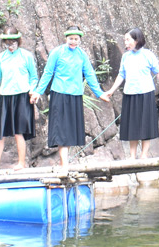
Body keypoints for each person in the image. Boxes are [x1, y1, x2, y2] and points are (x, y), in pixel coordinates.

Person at [32, 27, 110, 171]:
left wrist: (99, 93)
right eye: (71, 39)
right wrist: (38, 91)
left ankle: (64, 164)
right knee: (61, 129)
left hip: (75, 95)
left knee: (70, 131)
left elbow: (90, 74)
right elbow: (48, 73)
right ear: (66, 39)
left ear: (79, 40)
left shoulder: (82, 55)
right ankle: (65, 165)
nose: (73, 41)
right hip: (59, 94)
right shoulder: (57, 52)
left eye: (76, 39)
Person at [103, 28, 159, 160]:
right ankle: (132, 156)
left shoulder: (148, 55)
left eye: (128, 40)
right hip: (130, 94)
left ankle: (144, 154)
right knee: (132, 125)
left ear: (137, 40)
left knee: (146, 124)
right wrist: (111, 91)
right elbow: (121, 75)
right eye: (125, 40)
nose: (125, 42)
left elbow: (158, 71)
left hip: (146, 93)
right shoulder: (126, 56)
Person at [0, 29, 37, 172]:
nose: (10, 46)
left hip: (22, 96)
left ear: (18, 41)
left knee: (18, 131)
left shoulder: (26, 56)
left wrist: (32, 91)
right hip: (6, 96)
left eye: (13, 42)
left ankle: (21, 163)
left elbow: (34, 77)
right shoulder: (1, 58)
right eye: (7, 43)